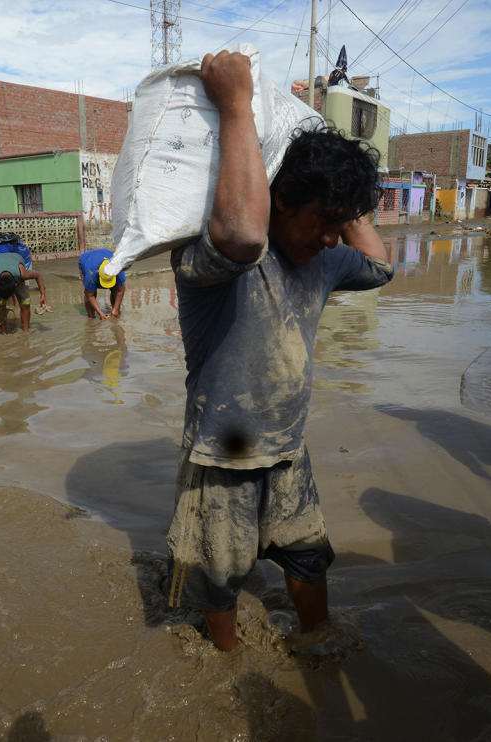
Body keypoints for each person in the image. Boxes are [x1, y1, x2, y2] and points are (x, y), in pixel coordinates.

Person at [166, 51, 392, 652]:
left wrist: (345, 198)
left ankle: (318, 651)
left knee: (310, 562)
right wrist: (237, 105)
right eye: (323, 220)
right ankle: (228, 671)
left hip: (288, 453)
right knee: (220, 578)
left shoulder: (322, 262)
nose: (330, 237)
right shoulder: (213, 261)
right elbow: (241, 232)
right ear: (282, 198)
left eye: (339, 226)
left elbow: (379, 265)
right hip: (223, 457)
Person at [0, 247, 47, 333]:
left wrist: (43, 296)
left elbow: (38, 275)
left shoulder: (23, 274)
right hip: (2, 270)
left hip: (15, 260)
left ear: (16, 284)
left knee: (25, 304)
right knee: (0, 304)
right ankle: (4, 332)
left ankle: (26, 331)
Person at [78, 247, 126, 320]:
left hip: (105, 253)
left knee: (115, 290)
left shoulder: (118, 269)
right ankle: (91, 317)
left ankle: (115, 312)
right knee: (91, 291)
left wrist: (115, 309)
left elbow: (121, 290)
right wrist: (100, 312)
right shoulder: (91, 274)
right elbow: (89, 295)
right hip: (86, 259)